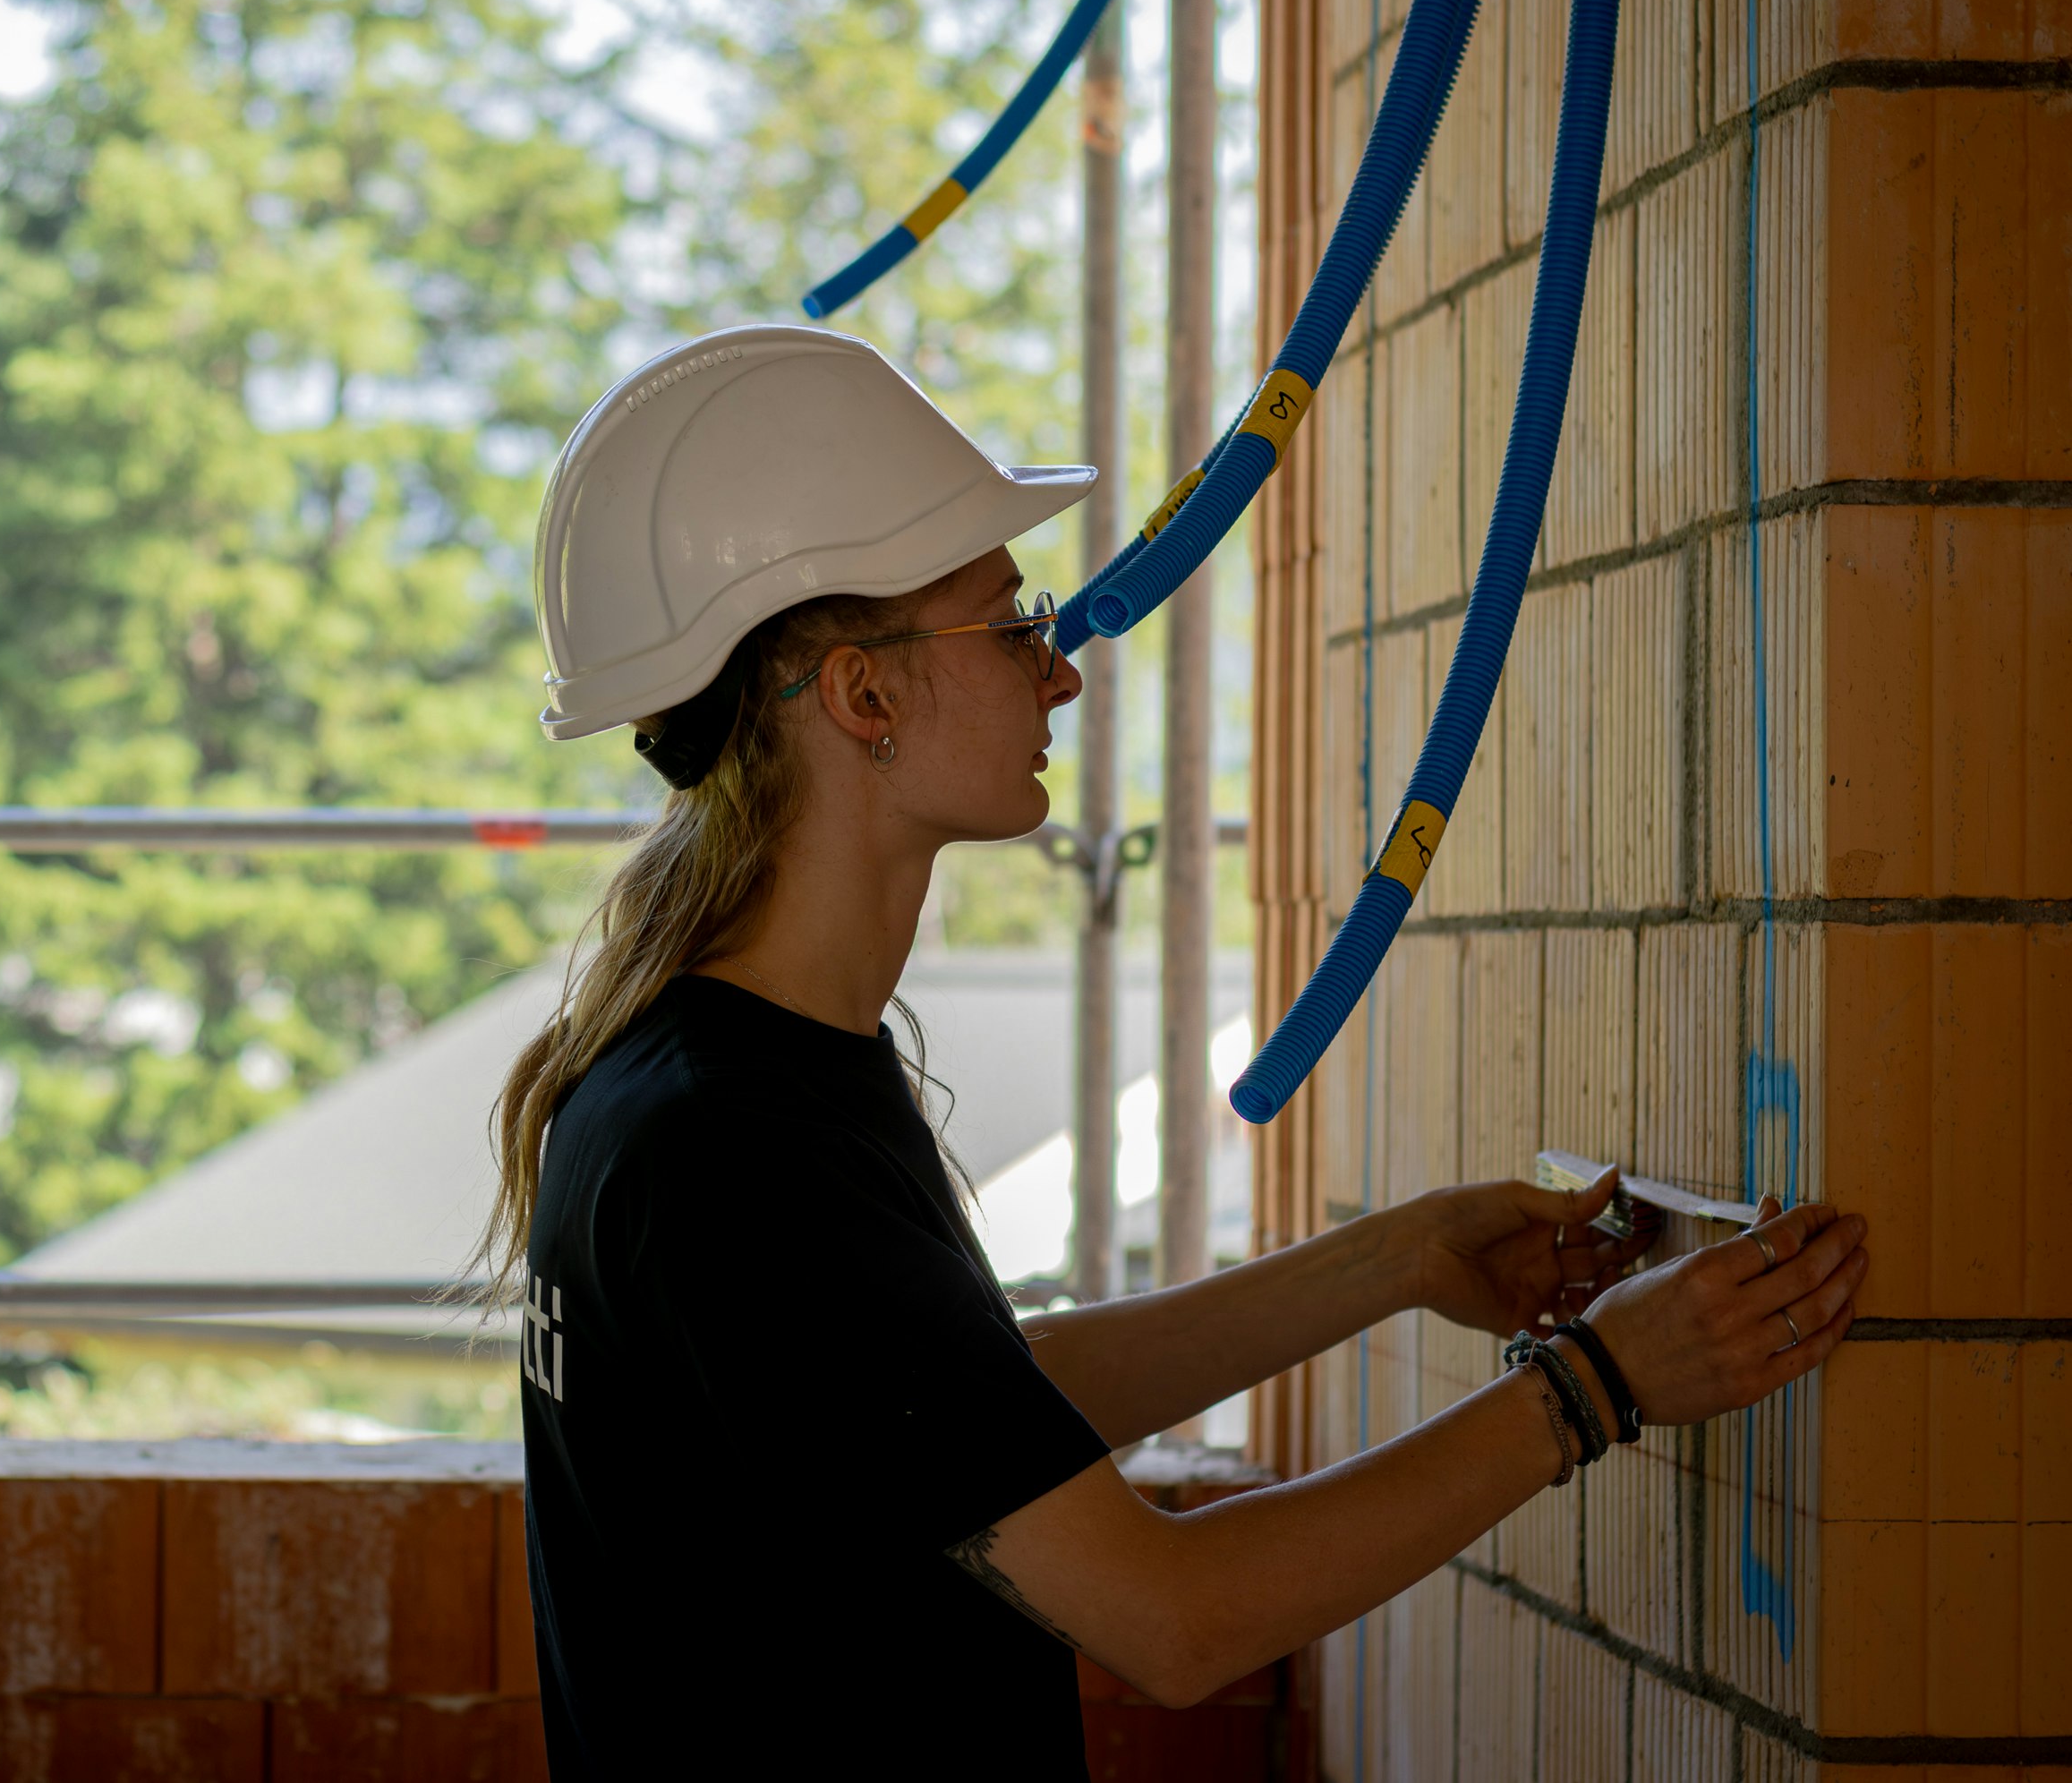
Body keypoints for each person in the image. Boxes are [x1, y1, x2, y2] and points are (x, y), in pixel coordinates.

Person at [487, 326, 1865, 1779]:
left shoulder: (714, 1080)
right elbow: (1178, 1617)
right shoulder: (738, 1149)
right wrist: (1595, 1385)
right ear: (862, 695)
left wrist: (1395, 1259)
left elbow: (954, 1415)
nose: (1059, 674)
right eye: (1009, 623)